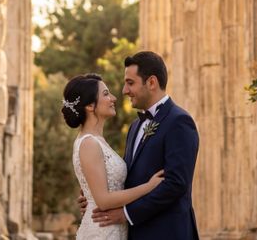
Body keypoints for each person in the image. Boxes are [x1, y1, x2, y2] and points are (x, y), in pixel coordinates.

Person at [84, 51, 201, 240]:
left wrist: (126, 214)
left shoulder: (179, 121)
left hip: (168, 233)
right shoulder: (135, 126)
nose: (124, 90)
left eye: (130, 83)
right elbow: (128, 177)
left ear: (152, 82)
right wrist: (95, 197)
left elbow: (176, 184)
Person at [63, 73, 165, 240]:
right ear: (89, 105)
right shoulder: (89, 143)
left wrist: (88, 197)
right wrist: (149, 186)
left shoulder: (98, 141)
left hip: (114, 229)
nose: (113, 98)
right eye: (105, 94)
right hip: (101, 231)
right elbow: (103, 200)